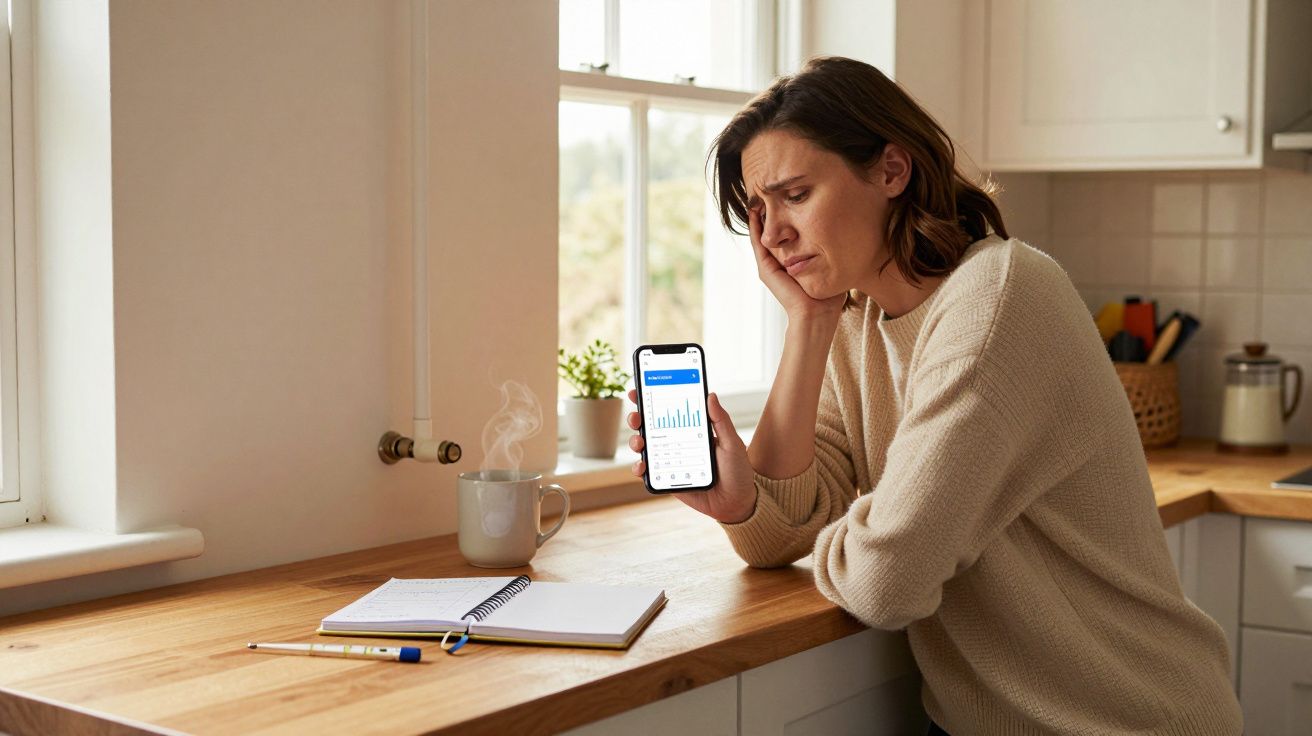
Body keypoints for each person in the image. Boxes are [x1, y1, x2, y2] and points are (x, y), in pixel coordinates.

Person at [625, 56, 1241, 735]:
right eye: (758, 211)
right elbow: (788, 531)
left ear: (892, 170)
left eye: (795, 195)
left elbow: (887, 582)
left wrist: (863, 527)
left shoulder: (997, 301)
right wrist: (807, 330)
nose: (772, 235)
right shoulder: (857, 317)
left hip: (1119, 721)